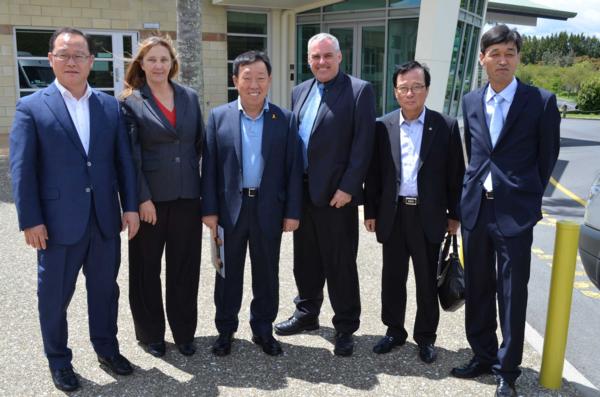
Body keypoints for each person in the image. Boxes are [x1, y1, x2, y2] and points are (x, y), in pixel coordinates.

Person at [9, 27, 139, 392]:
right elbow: (22, 170)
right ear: (50, 59)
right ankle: (59, 361)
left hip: (102, 220)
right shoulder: (31, 108)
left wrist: (130, 207)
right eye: (63, 54)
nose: (71, 61)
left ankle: (107, 349)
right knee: (53, 298)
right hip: (55, 224)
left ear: (91, 62)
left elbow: (123, 163)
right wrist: (30, 219)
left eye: (79, 54)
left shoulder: (109, 106)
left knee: (104, 291)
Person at [451, 25, 560, 397]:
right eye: (495, 53)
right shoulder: (470, 101)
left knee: (512, 293)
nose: (503, 60)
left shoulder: (541, 101)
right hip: (476, 210)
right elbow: (474, 154)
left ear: (518, 58)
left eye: (509, 53)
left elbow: (547, 159)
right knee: (478, 286)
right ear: (482, 59)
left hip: (515, 213)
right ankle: (482, 355)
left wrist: (527, 198)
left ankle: (507, 369)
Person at [274, 33, 376, 357]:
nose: (321, 62)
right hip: (302, 192)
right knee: (304, 260)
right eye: (315, 57)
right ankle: (307, 314)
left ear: (339, 56)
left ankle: (345, 325)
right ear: (308, 60)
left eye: (327, 56)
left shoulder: (359, 91)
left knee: (340, 262)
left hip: (336, 197)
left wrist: (348, 187)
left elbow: (363, 146)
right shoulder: (299, 91)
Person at [201, 51, 303, 357]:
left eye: (261, 77)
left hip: (268, 209)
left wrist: (292, 212)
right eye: (247, 78)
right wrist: (209, 210)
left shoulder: (285, 119)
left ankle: (262, 329)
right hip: (230, 211)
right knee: (227, 273)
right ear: (235, 81)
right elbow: (210, 168)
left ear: (270, 80)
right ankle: (225, 330)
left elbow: (293, 169)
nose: (254, 84)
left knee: (266, 273)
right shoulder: (219, 117)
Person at [364, 61, 464, 364]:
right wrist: (370, 211)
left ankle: (426, 337)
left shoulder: (445, 126)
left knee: (425, 280)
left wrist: (455, 215)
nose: (410, 92)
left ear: (427, 90)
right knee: (392, 277)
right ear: (395, 91)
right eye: (404, 87)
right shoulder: (383, 126)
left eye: (416, 87)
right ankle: (394, 331)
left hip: (429, 215)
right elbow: (375, 173)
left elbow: (455, 175)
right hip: (393, 215)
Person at [120, 36, 204, 358]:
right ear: (141, 64)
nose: (158, 65)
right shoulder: (130, 102)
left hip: (187, 198)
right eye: (152, 59)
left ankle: (184, 333)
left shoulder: (189, 97)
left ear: (172, 64)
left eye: (164, 59)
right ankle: (151, 333)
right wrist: (141, 198)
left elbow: (198, 145)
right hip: (149, 202)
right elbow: (129, 157)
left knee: (185, 268)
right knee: (146, 269)